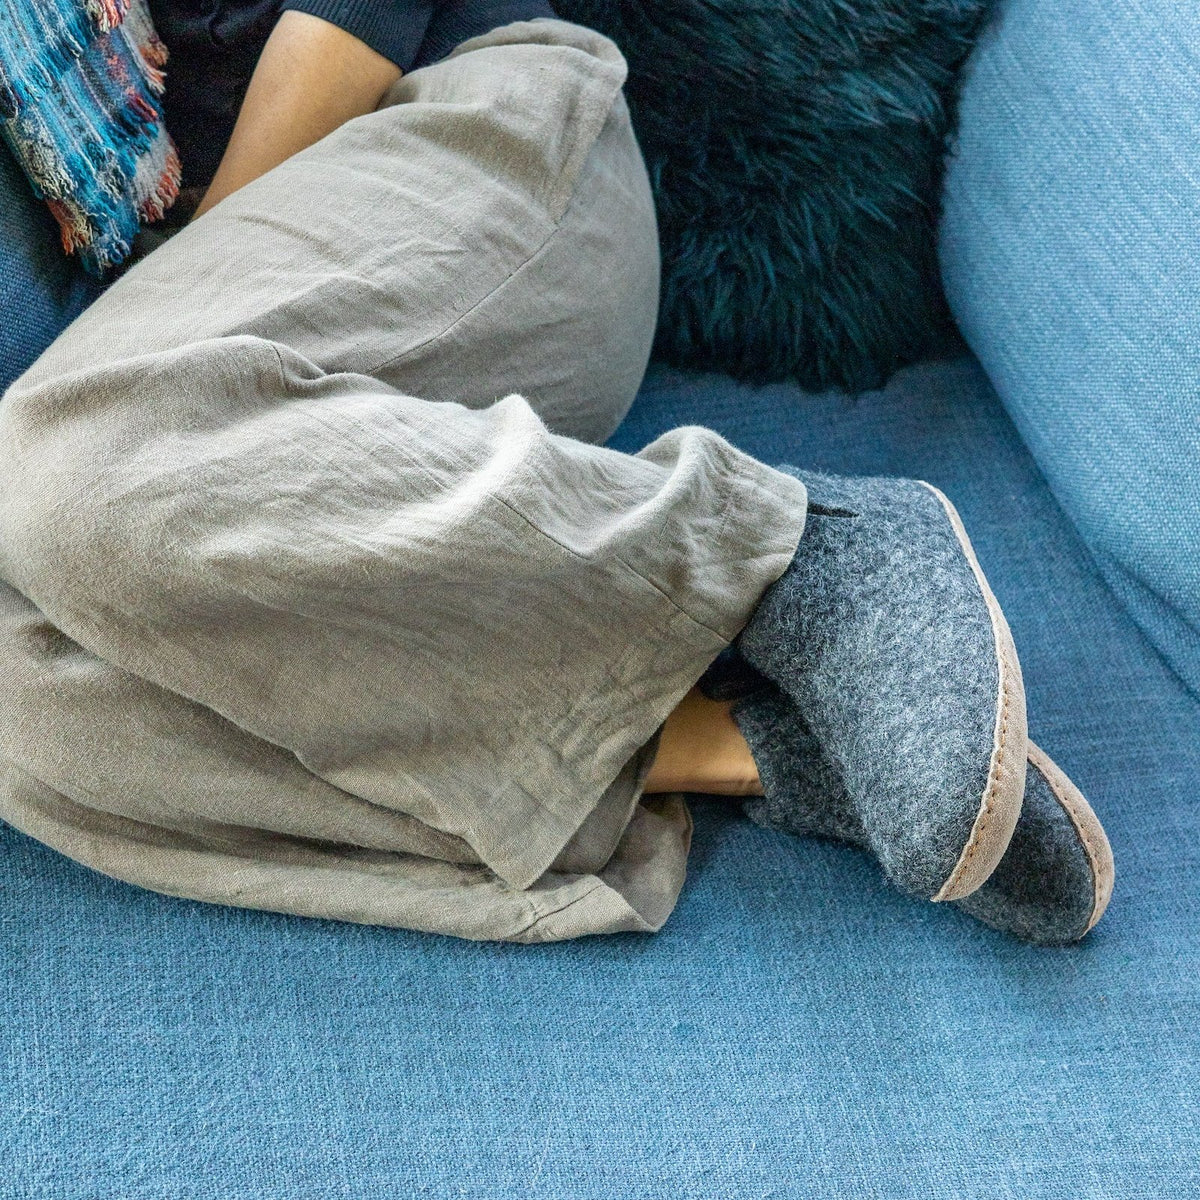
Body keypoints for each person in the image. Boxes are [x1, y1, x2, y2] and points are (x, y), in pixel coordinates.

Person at [0, 4, 1112, 946]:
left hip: (480, 148)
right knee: (20, 675)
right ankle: (727, 748)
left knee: (69, 475)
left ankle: (786, 554)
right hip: (256, 336)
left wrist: (152, 384)